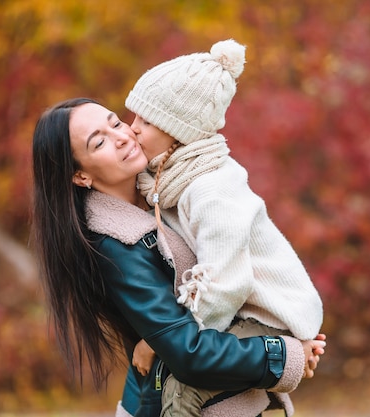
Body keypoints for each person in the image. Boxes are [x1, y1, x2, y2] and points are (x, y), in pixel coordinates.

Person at [31, 97, 326, 417]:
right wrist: (284, 354)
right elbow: (189, 352)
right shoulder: (116, 247)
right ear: (80, 176)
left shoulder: (166, 195)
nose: (121, 136)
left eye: (116, 122)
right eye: (99, 141)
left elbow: (222, 279)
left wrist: (155, 341)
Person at [124, 39, 324, 416]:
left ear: (177, 130)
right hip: (238, 313)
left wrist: (160, 341)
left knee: (181, 390)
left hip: (269, 317)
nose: (131, 129)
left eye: (145, 121)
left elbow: (224, 283)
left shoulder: (211, 189)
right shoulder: (172, 180)